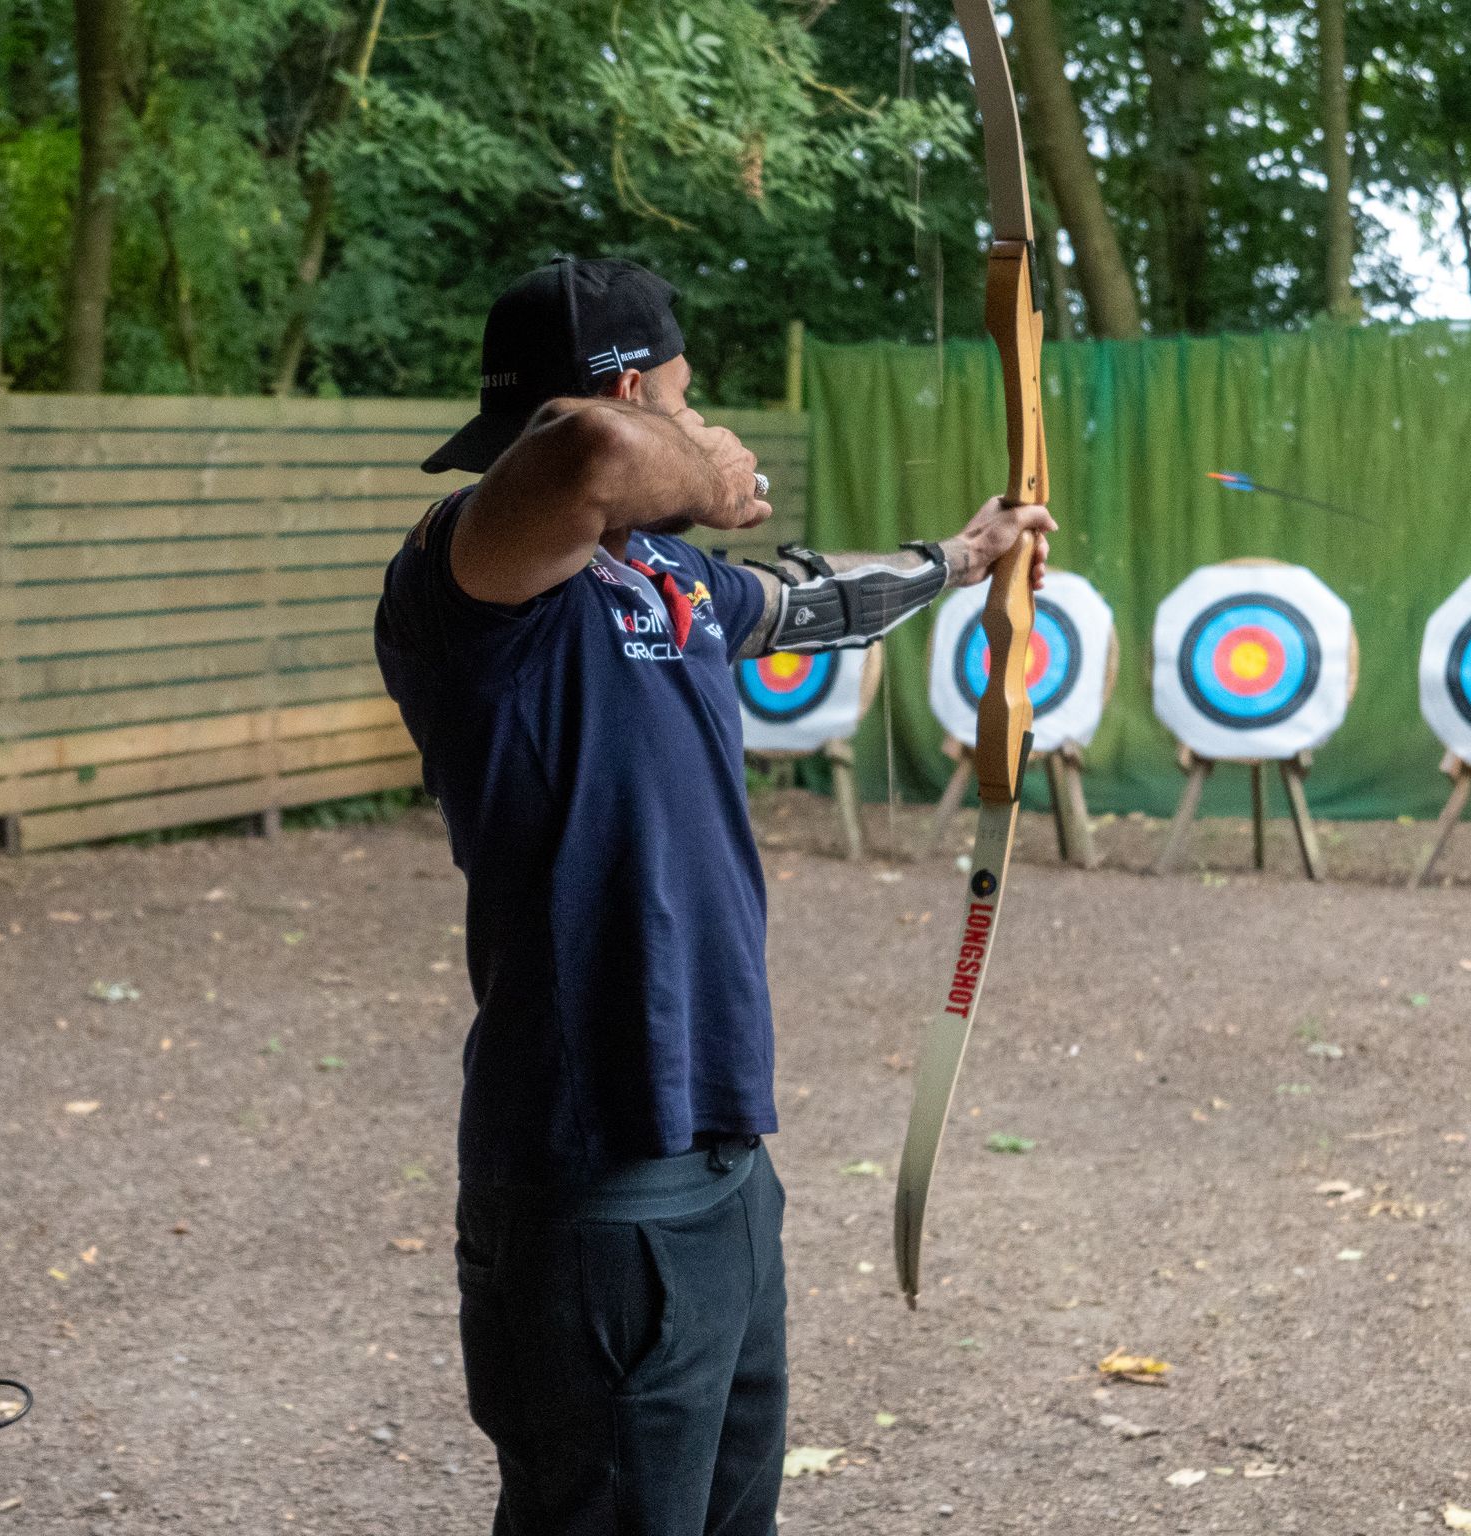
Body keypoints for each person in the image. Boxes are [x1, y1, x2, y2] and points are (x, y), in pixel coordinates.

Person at [373, 256, 1054, 1535]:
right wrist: (708, 472)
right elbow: (582, 455)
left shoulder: (667, 581)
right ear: (635, 392)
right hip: (595, 1172)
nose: (703, 421)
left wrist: (967, 556)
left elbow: (806, 604)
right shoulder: (468, 580)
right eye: (684, 399)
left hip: (725, 1165)